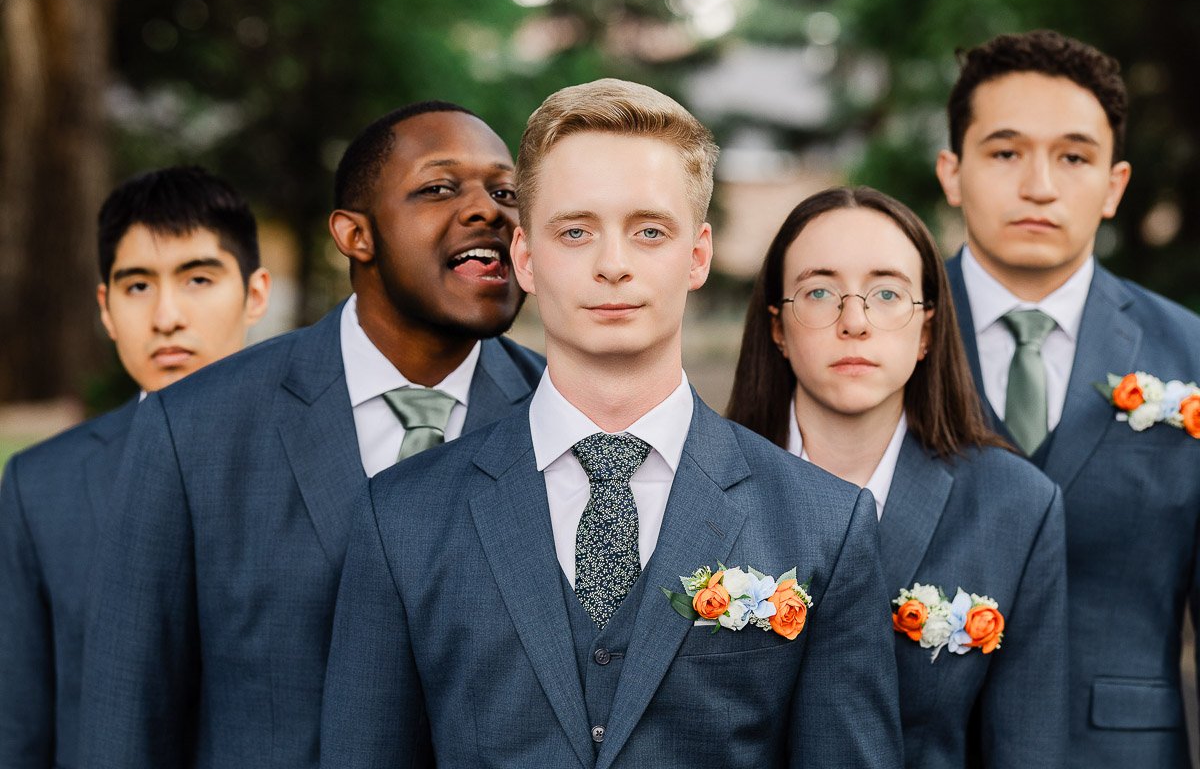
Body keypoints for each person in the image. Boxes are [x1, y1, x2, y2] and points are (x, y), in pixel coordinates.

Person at [319, 79, 902, 769]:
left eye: (649, 231)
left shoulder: (825, 523)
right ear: (525, 258)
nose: (613, 266)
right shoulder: (402, 517)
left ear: (697, 255)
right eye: (576, 231)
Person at [79, 102, 545, 769]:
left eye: (506, 193)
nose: (489, 211)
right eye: (440, 187)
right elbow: (125, 715)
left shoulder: (564, 420)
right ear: (356, 236)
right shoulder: (190, 428)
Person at [727, 185, 1068, 767]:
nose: (854, 321)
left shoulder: (1016, 505)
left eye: (887, 293)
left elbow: (1025, 747)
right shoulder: (700, 482)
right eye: (819, 292)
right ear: (778, 327)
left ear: (927, 330)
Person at [935, 30, 1200, 767]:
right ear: (952, 172)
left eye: (1074, 156)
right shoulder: (884, 342)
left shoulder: (1191, 355)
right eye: (1005, 152)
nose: (1040, 186)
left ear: (1114, 186)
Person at [0, 165, 270, 769]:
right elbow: (18, 726)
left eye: (198, 278)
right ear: (105, 306)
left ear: (255, 294)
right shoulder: (41, 486)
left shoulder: (329, 458)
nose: (166, 316)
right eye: (138, 286)